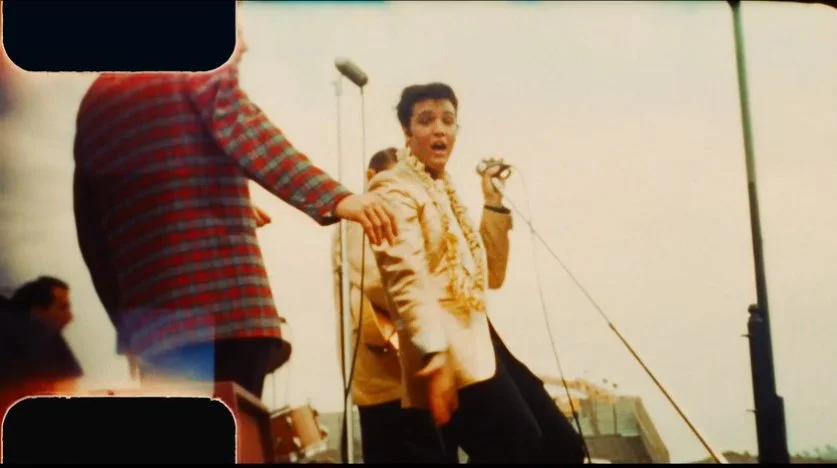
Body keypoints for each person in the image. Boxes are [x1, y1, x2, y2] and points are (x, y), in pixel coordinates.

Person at [72, 16, 396, 399]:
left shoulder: (94, 103)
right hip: (228, 314)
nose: (243, 47)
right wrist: (336, 197)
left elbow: (93, 235)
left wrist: (132, 328)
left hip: (157, 329)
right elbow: (243, 127)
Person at [368, 82, 586, 463]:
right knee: (520, 447)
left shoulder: (445, 192)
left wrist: (492, 202)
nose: (439, 129)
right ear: (407, 132)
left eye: (448, 121)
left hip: (483, 341)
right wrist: (432, 352)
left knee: (563, 445)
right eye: (426, 120)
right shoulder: (394, 187)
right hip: (446, 352)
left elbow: (492, 276)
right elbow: (405, 278)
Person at [332, 147, 459, 463]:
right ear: (371, 178)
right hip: (384, 379)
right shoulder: (357, 221)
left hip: (411, 373)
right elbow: (378, 280)